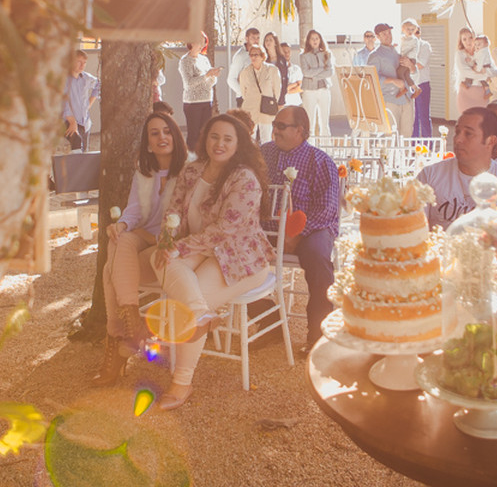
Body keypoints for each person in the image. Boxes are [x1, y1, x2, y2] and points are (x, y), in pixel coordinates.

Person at [152, 113, 273, 410]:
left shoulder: (244, 178)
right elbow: (174, 209)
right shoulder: (192, 171)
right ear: (205, 139)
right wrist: (169, 242)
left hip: (239, 257)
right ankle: (201, 317)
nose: (219, 143)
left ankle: (182, 383)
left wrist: (180, 248)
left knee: (191, 301)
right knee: (160, 260)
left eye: (227, 139)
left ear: (238, 144)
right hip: (198, 247)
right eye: (214, 136)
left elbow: (225, 230)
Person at [95, 112, 189, 385]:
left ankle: (118, 342)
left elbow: (185, 220)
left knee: (107, 272)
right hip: (141, 235)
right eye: (154, 133)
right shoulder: (144, 172)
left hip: (168, 243)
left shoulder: (189, 170)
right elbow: (134, 210)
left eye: (167, 131)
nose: (162, 137)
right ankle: (134, 326)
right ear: (148, 143)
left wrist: (151, 238)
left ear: (175, 135)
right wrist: (122, 225)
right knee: (118, 240)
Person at [260, 106, 341, 351]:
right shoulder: (262, 154)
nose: (275, 130)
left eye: (281, 126)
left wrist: (296, 233)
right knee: (230, 252)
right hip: (266, 229)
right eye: (274, 124)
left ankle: (318, 335)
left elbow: (327, 210)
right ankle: (268, 322)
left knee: (317, 258)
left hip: (312, 230)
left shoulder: (320, 161)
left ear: (300, 131)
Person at [417, 108, 497, 229]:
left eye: (468, 134)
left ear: (490, 141)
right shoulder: (429, 176)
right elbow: (413, 228)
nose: (458, 139)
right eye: (457, 132)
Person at [368, 22, 414, 136]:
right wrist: (393, 80)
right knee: (391, 137)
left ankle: (406, 154)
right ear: (377, 37)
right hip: (390, 100)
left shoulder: (396, 52)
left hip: (407, 98)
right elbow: (371, 79)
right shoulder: (375, 55)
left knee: (407, 136)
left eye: (389, 32)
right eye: (384, 34)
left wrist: (410, 65)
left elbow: (412, 72)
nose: (388, 35)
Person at [179, 33, 220, 149]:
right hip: (193, 103)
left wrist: (213, 75)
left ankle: (203, 160)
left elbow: (211, 82)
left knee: (205, 134)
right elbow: (189, 83)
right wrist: (206, 75)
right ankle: (191, 161)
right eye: (200, 41)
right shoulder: (185, 61)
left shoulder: (204, 59)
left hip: (207, 100)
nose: (202, 45)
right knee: (194, 135)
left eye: (204, 42)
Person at [239, 45, 280, 142]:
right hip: (250, 110)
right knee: (249, 139)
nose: (253, 57)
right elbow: (243, 92)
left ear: (262, 56)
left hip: (267, 110)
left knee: (267, 139)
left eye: (256, 55)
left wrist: (270, 103)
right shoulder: (245, 72)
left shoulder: (272, 70)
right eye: (251, 55)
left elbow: (277, 91)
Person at [61, 49, 100, 152]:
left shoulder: (86, 78)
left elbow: (98, 85)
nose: (82, 65)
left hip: (85, 122)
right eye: (79, 61)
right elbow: (63, 102)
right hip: (69, 121)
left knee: (83, 153)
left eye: (84, 62)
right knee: (77, 144)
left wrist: (89, 103)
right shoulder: (64, 80)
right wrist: (72, 122)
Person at [401, 18, 433, 137]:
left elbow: (420, 64)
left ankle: (426, 147)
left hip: (421, 84)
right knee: (411, 118)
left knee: (423, 117)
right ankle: (413, 145)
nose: (413, 33)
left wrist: (408, 63)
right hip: (408, 85)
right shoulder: (404, 43)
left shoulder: (424, 45)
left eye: (416, 31)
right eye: (409, 30)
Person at [300, 29, 334, 136]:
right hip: (309, 90)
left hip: (324, 89)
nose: (315, 41)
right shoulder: (304, 56)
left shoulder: (327, 54)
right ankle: (310, 147)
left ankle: (326, 148)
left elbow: (330, 72)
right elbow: (306, 72)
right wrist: (321, 69)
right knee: (310, 120)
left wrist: (315, 75)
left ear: (320, 40)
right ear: (308, 41)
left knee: (324, 121)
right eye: (312, 39)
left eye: (317, 38)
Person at [453, 28, 492, 112]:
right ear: (461, 42)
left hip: (481, 93)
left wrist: (486, 73)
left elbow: (490, 68)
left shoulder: (481, 52)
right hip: (466, 93)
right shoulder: (459, 54)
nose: (468, 41)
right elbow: (465, 72)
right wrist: (483, 75)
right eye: (464, 39)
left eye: (470, 38)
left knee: (483, 120)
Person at [227, 27, 261, 107]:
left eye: (258, 38)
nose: (256, 40)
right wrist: (244, 93)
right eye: (253, 38)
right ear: (246, 38)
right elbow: (231, 79)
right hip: (245, 99)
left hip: (259, 97)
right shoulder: (240, 56)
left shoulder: (261, 53)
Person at [264, 32, 289, 105]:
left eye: (270, 40)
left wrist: (283, 93)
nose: (268, 42)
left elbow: (285, 77)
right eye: (266, 40)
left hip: (280, 94)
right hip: (266, 94)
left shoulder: (282, 59)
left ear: (275, 42)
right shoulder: (263, 58)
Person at [280, 43, 303, 107]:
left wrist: (286, 89)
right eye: (284, 52)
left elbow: (300, 88)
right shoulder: (276, 69)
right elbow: (279, 89)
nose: (287, 53)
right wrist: (295, 84)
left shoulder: (296, 69)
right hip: (282, 104)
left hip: (296, 103)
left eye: (288, 51)